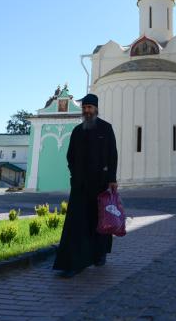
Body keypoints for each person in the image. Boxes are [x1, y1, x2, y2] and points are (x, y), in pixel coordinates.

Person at [53, 93, 118, 278]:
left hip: (100, 184)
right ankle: (74, 262)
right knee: (78, 222)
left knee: (100, 221)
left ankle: (100, 254)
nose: (86, 111)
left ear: (96, 109)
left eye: (89, 108)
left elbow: (112, 155)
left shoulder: (106, 129)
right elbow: (70, 156)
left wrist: (112, 179)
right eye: (84, 108)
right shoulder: (77, 131)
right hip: (80, 185)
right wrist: (75, 173)